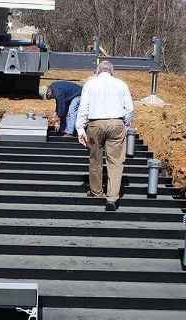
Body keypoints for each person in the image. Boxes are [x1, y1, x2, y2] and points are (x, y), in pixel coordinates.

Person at [75, 60, 134, 211]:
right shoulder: (121, 84)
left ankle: (96, 192)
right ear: (111, 71)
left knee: (95, 159)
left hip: (95, 124)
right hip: (116, 123)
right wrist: (125, 126)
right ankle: (112, 198)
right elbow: (129, 109)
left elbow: (83, 108)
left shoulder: (90, 84)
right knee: (115, 162)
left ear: (98, 71)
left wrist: (80, 129)